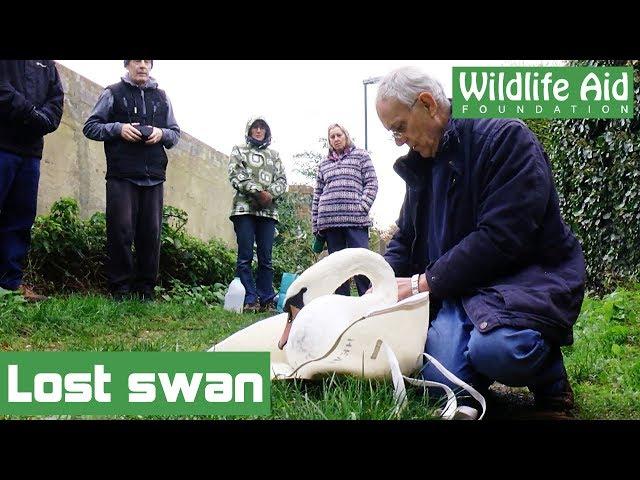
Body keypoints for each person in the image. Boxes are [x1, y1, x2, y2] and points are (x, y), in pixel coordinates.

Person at [375, 66, 586, 417]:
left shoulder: (503, 137)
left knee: (499, 351)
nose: (399, 140)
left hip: (524, 282)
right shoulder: (422, 165)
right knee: (442, 380)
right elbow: (407, 238)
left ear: (427, 104)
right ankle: (470, 385)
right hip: (462, 291)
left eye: (399, 127)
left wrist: (423, 283)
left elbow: (502, 238)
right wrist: (377, 284)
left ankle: (551, 379)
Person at [83, 60, 180, 301]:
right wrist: (118, 129)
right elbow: (90, 127)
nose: (142, 65)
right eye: (137, 60)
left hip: (154, 177)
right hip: (122, 175)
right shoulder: (112, 93)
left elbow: (175, 133)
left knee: (151, 235)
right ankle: (120, 290)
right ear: (127, 65)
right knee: (121, 232)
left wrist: (161, 133)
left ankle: (145, 291)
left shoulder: (162, 97)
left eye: (147, 61)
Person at [0, 60, 64, 301]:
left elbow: (56, 106)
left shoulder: (48, 67)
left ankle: (9, 285)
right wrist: (30, 112)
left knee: (20, 220)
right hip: (2, 145)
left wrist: (40, 117)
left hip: (30, 154)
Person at [228, 116, 287, 313]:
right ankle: (249, 299)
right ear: (249, 130)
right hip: (244, 209)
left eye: (262, 127)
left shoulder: (275, 155)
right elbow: (235, 174)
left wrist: (269, 195)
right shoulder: (239, 150)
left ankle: (266, 299)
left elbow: (282, 180)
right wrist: (257, 192)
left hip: (268, 213)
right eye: (255, 127)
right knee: (245, 256)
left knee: (266, 258)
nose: (259, 130)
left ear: (267, 132)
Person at [311, 123, 378, 296]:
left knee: (362, 264)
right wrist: (315, 224)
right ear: (329, 141)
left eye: (338, 135)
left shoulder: (361, 156)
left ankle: (369, 303)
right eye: (332, 137)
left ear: (346, 136)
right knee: (338, 269)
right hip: (330, 223)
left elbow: (372, 183)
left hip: (356, 221)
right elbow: (317, 194)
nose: (336, 139)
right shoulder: (323, 164)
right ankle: (341, 306)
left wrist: (362, 207)